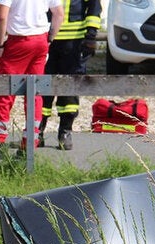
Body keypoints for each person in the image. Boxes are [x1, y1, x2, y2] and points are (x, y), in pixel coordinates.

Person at [0, 0, 64, 160]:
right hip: (40, 41)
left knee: (3, 90)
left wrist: (0, 45)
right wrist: (49, 40)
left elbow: (1, 17)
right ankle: (30, 144)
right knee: (35, 93)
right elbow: (59, 14)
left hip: (18, 41)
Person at [37, 0, 102, 151]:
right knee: (42, 86)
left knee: (69, 89)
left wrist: (91, 36)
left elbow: (94, 7)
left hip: (74, 41)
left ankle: (65, 131)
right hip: (45, 38)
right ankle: (37, 131)